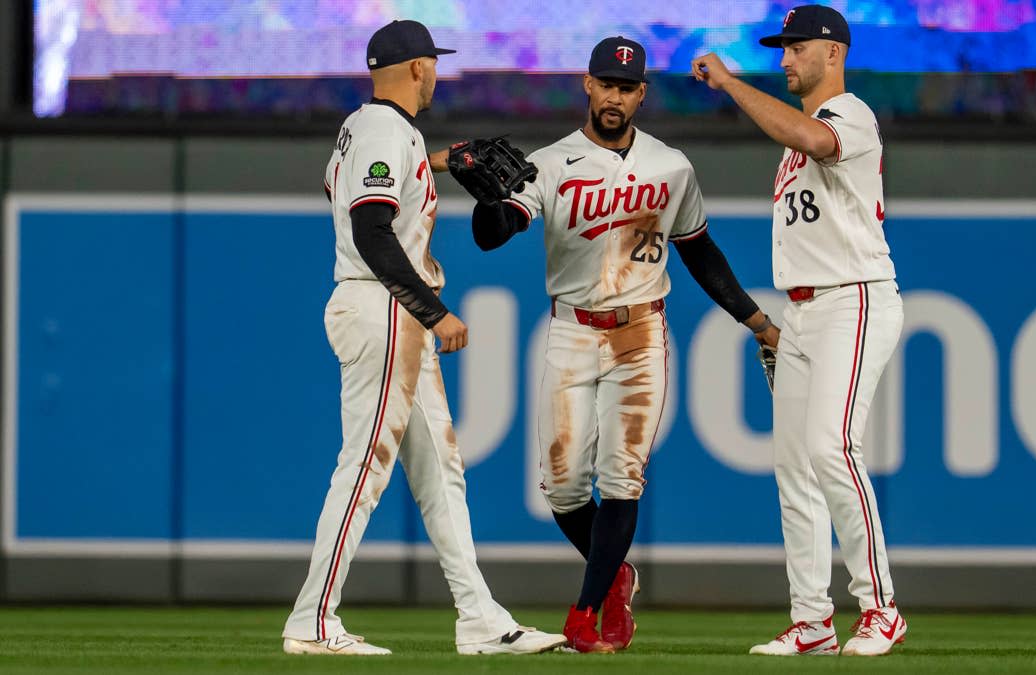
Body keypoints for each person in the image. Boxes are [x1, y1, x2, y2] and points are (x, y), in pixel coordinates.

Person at [467, 36, 778, 653]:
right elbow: (494, 234)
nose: (614, 96)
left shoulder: (671, 166)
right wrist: (488, 202)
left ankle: (586, 612)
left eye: (626, 87)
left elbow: (700, 251)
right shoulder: (551, 162)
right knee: (560, 488)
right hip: (572, 330)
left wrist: (755, 319)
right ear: (588, 85)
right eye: (605, 84)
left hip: (641, 332)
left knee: (622, 476)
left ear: (641, 94)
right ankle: (615, 573)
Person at [280, 19, 566, 657]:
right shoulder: (383, 129)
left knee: (441, 473)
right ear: (415, 68)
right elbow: (371, 230)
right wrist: (434, 310)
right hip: (384, 308)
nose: (436, 72)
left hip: (389, 309)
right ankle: (312, 620)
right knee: (364, 468)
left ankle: (481, 619)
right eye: (432, 63)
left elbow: (363, 190)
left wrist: (433, 161)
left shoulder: (371, 128)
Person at [692, 4, 908, 658]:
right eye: (781, 49)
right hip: (805, 311)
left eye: (795, 48)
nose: (785, 59)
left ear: (832, 52)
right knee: (794, 466)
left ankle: (880, 608)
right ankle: (812, 621)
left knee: (831, 446)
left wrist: (732, 83)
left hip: (854, 298)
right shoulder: (803, 132)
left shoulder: (851, 115)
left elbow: (813, 141)